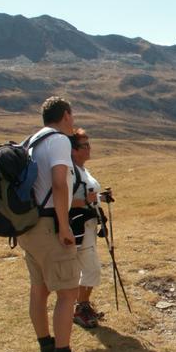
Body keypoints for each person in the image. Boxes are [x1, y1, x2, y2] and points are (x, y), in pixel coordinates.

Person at [17, 96, 93, 352]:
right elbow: (60, 182)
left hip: (28, 226)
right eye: (72, 116)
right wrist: (64, 226)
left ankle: (46, 350)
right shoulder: (60, 140)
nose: (73, 121)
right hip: (49, 224)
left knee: (39, 289)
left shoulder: (32, 141)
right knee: (67, 292)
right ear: (66, 115)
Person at [70, 128, 111, 329]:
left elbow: (88, 195)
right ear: (73, 150)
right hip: (79, 226)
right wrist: (87, 200)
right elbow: (61, 201)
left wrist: (101, 197)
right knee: (91, 268)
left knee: (88, 267)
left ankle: (82, 306)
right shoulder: (69, 171)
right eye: (84, 145)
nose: (89, 148)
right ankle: (80, 308)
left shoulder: (81, 169)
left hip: (88, 225)